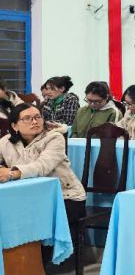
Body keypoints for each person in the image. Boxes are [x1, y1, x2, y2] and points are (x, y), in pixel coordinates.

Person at [0, 103, 86, 249]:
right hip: (28, 197)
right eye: (27, 118)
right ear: (15, 126)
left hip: (65, 197)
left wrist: (12, 173)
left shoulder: (54, 138)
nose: (35, 122)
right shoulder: (5, 142)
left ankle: (35, 267)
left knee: (28, 219)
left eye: (38, 117)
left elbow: (42, 166)